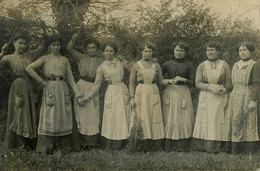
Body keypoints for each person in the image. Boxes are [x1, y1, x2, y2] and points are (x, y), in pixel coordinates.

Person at [26, 35, 82, 153]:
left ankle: (65, 147)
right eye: (53, 45)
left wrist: (77, 94)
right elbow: (29, 68)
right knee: (49, 116)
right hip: (50, 89)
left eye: (58, 45)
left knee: (64, 116)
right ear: (49, 46)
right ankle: (46, 147)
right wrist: (41, 81)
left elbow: (70, 78)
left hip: (63, 88)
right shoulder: (45, 58)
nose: (56, 47)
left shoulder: (64, 60)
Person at [0, 32, 46, 150]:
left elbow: (43, 47)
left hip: (31, 87)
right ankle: (18, 144)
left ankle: (30, 144)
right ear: (14, 44)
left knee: (32, 112)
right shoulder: (8, 57)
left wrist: (44, 30)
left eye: (25, 43)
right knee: (19, 113)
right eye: (20, 43)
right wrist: (3, 51)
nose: (22, 46)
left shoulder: (30, 55)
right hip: (18, 87)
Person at [85, 41, 131, 150]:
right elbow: (97, 84)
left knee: (122, 116)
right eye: (107, 51)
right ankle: (110, 144)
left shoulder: (119, 61)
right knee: (111, 117)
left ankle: (123, 143)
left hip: (122, 89)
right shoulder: (101, 67)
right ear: (103, 53)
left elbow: (132, 68)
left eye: (111, 51)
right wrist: (89, 96)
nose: (109, 53)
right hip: (111, 91)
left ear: (114, 52)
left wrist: (151, 61)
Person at [192, 41, 232, 153]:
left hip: (219, 95)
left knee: (217, 119)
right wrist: (209, 87)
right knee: (205, 119)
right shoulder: (202, 65)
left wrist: (224, 89)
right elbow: (198, 83)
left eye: (212, 50)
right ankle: (204, 146)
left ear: (218, 52)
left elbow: (229, 83)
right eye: (208, 50)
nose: (209, 52)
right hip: (206, 94)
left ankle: (218, 146)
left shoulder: (224, 65)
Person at [223, 41, 260, 154]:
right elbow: (231, 83)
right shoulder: (235, 64)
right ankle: (233, 148)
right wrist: (224, 90)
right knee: (234, 120)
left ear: (250, 51)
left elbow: (257, 83)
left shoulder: (254, 65)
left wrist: (253, 100)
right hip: (234, 96)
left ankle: (247, 149)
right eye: (240, 50)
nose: (242, 53)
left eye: (245, 50)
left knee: (247, 121)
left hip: (247, 95)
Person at [67, 32, 103, 149]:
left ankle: (91, 143)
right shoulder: (81, 57)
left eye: (93, 48)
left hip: (93, 87)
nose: (91, 50)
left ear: (97, 49)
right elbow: (69, 48)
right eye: (89, 48)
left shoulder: (101, 61)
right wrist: (74, 37)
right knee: (80, 113)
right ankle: (79, 142)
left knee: (93, 115)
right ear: (85, 49)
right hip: (81, 86)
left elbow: (113, 60)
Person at [129, 41, 165, 151]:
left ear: (152, 52)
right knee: (142, 116)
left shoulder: (156, 65)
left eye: (150, 51)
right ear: (141, 52)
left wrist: (171, 81)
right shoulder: (136, 65)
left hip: (153, 91)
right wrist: (132, 97)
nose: (147, 54)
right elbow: (131, 82)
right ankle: (141, 145)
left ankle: (154, 145)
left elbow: (161, 80)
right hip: (141, 92)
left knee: (154, 116)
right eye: (145, 51)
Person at [161, 42, 195, 151]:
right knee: (170, 117)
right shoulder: (167, 64)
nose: (178, 53)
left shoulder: (189, 65)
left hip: (183, 92)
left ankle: (183, 145)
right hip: (170, 91)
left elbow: (194, 82)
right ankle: (169, 145)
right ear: (173, 51)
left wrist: (183, 80)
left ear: (185, 52)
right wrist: (168, 81)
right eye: (176, 50)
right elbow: (157, 78)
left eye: (181, 51)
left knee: (184, 117)